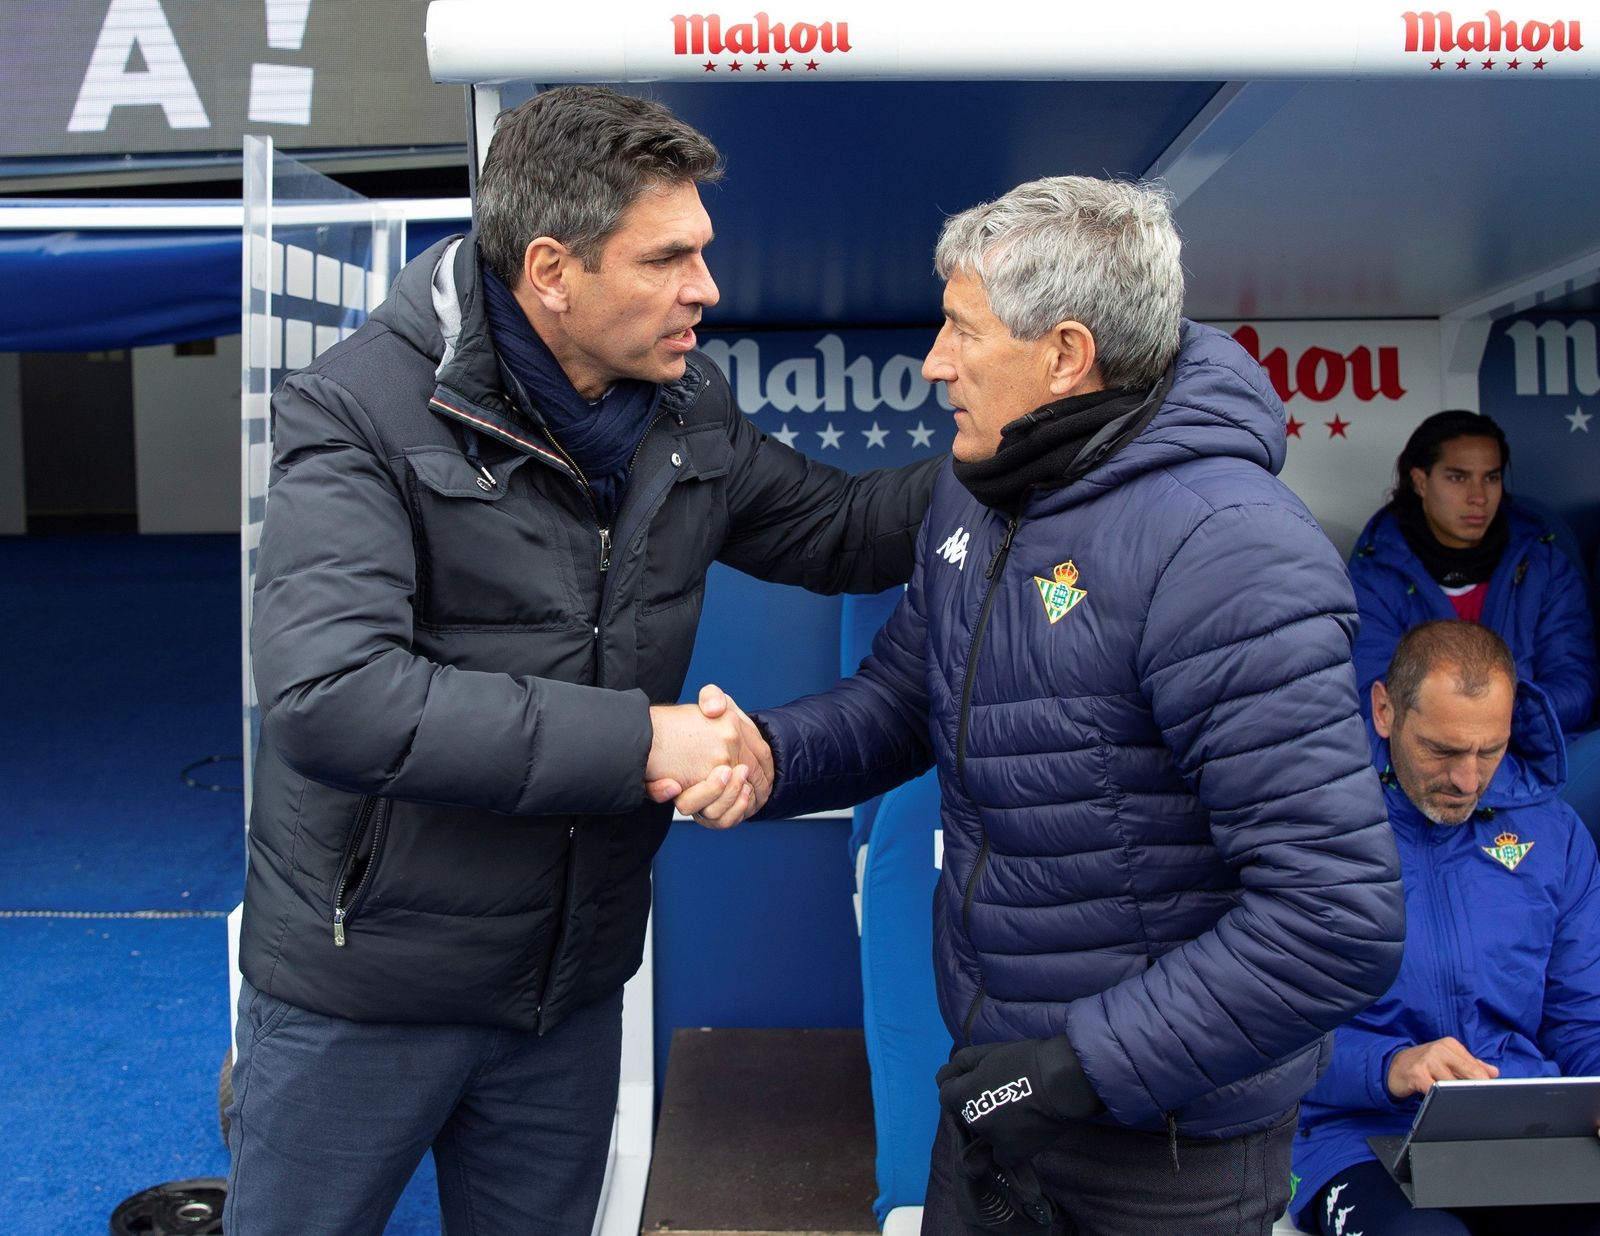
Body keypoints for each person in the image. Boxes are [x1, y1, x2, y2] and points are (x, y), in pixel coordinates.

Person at [226, 85, 939, 1236]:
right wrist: (644, 740)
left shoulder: (683, 404)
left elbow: (841, 530)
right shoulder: (357, 410)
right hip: (369, 992)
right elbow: (330, 699)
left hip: (566, 987)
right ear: (551, 269)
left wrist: (1025, 443)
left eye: (701, 252)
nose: (705, 289)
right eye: (666, 260)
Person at [678, 175, 1405, 1234]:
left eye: (961, 331)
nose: (933, 362)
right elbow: (900, 697)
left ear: (1066, 355)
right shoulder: (978, 488)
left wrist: (1070, 1072)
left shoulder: (1228, 549)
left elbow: (1333, 919)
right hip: (998, 1099)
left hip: (1158, 1151)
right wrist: (771, 756)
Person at [1292, 620, 1600, 1236]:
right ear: (1384, 711)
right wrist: (1390, 1065)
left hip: (1521, 1128)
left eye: (1491, 750)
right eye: (1442, 749)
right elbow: (1255, 1036)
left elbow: (1582, 1018)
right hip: (1350, 1135)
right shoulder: (1310, 827)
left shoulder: (1554, 833)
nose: (1467, 779)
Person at [1349, 409, 1597, 733]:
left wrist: (1508, 719)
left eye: (1491, 477)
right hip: (1420, 768)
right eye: (1458, 477)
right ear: (1420, 481)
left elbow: (1576, 684)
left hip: (1530, 757)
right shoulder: (1374, 576)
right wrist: (1466, 728)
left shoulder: (1545, 566)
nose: (1478, 497)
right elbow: (1374, 694)